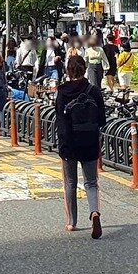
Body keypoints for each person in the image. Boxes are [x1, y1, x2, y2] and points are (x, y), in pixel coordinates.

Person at [55, 55, 105, 237]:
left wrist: (61, 143)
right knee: (91, 182)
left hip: (69, 143)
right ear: (84, 69)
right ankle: (94, 212)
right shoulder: (94, 91)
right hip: (89, 141)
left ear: (68, 71)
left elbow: (60, 120)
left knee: (70, 182)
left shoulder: (63, 92)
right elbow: (102, 119)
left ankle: (71, 222)